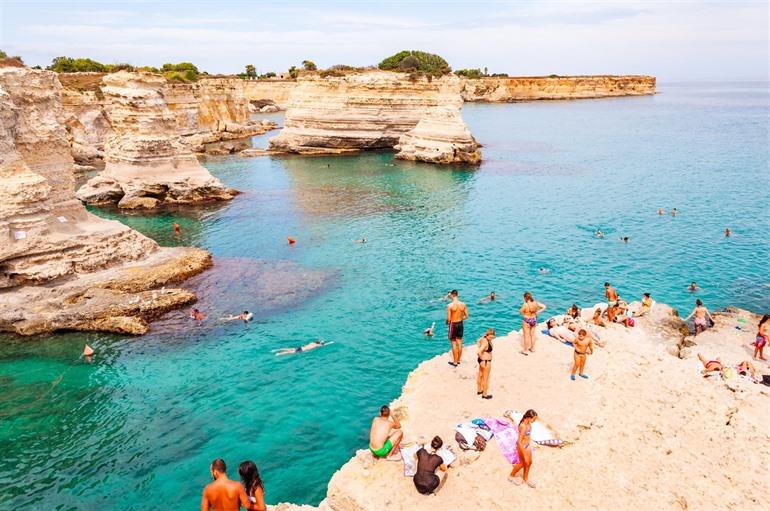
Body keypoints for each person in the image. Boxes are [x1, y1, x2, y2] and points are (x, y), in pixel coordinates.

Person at [507, 409, 537, 488]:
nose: (534, 420)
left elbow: (527, 436)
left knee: (529, 462)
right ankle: (511, 476)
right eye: (533, 419)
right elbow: (519, 441)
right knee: (522, 463)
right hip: (522, 447)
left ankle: (525, 478)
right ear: (528, 417)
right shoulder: (523, 426)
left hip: (527, 446)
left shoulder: (529, 424)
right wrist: (523, 452)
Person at [446, 290, 469, 366]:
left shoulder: (450, 305)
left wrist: (446, 322)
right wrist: (460, 318)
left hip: (453, 324)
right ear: (457, 295)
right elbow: (467, 316)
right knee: (459, 341)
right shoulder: (463, 304)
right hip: (460, 323)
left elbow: (449, 319)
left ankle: (455, 362)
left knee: (453, 342)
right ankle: (458, 360)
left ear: (452, 295)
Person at [476, 328, 495, 399]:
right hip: (486, 361)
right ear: (487, 335)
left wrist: (481, 359)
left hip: (482, 361)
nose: (491, 338)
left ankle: (479, 390)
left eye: (492, 337)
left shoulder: (482, 339)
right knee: (486, 378)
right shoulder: (486, 342)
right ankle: (485, 394)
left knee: (480, 375)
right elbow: (478, 352)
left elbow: (477, 342)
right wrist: (483, 358)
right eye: (490, 337)